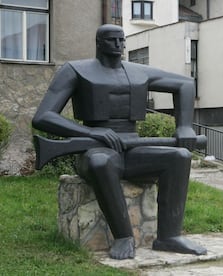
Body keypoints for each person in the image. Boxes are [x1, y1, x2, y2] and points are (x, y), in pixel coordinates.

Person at [32, 24, 207, 259]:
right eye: (112, 40)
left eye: (121, 40)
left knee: (180, 157)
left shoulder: (137, 72)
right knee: (101, 163)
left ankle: (169, 236)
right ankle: (124, 236)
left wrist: (184, 126)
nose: (118, 45)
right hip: (94, 149)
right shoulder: (75, 70)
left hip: (133, 148)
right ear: (98, 42)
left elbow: (185, 84)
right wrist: (91, 133)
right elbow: (43, 117)